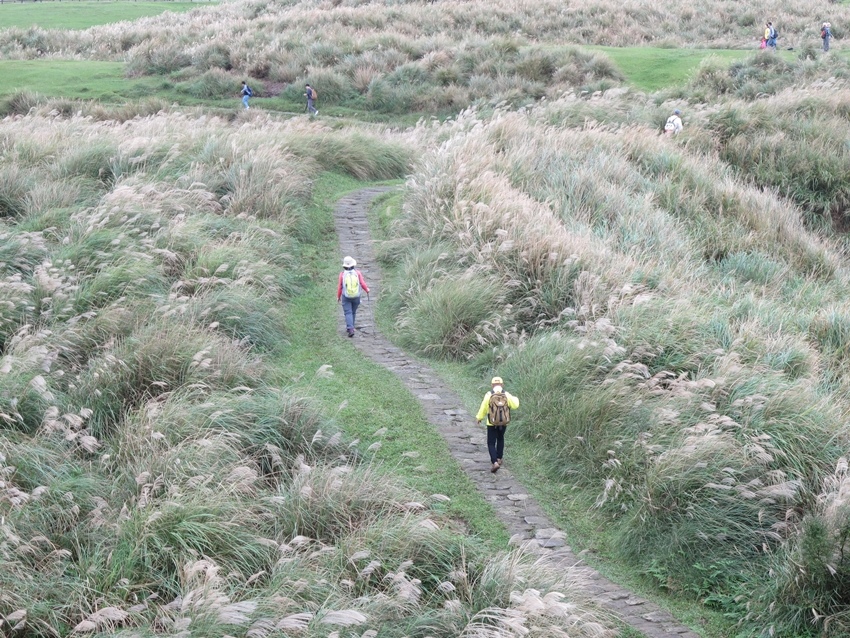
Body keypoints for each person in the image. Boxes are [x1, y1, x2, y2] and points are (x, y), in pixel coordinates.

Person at [475, 376, 519, 473]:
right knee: (500, 439)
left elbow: (483, 407)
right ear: (502, 384)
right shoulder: (506, 394)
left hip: (491, 423)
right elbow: (515, 405)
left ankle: (494, 462)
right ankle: (499, 458)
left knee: (491, 442)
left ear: (492, 385)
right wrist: (515, 398)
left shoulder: (489, 395)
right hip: (503, 422)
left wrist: (479, 417)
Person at [337, 256, 369, 337]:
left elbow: (340, 287)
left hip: (346, 296)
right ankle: (351, 327)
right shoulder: (357, 273)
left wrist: (338, 296)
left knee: (348, 312)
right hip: (356, 296)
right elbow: (362, 283)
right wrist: (367, 290)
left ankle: (350, 328)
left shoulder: (342, 274)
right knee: (353, 312)